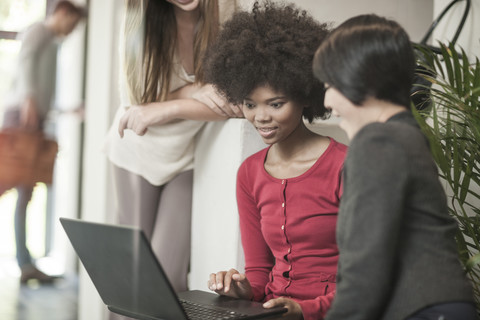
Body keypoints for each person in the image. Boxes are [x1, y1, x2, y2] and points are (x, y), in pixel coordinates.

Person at [313, 14, 476, 320]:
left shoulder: (378, 141)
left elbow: (365, 263)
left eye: (329, 84)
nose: (326, 101)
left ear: (358, 76)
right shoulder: (406, 135)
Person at [202, 2, 347, 319]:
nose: (261, 117)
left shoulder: (345, 166)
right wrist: (240, 289)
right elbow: (258, 272)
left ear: (306, 94)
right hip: (271, 313)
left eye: (276, 103)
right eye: (250, 104)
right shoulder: (249, 173)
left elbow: (368, 278)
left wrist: (304, 310)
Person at [103, 0, 240, 298]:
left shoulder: (225, 8)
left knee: (167, 279)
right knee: (130, 276)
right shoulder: (140, 14)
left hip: (186, 159)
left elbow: (236, 104)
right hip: (136, 152)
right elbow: (135, 101)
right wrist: (195, 91)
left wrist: (167, 108)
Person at [1, 0, 85, 284]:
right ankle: (26, 263)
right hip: (20, 120)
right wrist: (27, 99)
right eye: (72, 23)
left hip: (32, 120)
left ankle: (25, 264)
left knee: (26, 193)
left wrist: (66, 109)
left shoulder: (53, 43)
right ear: (63, 13)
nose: (72, 30)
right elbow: (25, 63)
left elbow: (42, 93)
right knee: (8, 184)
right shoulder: (38, 31)